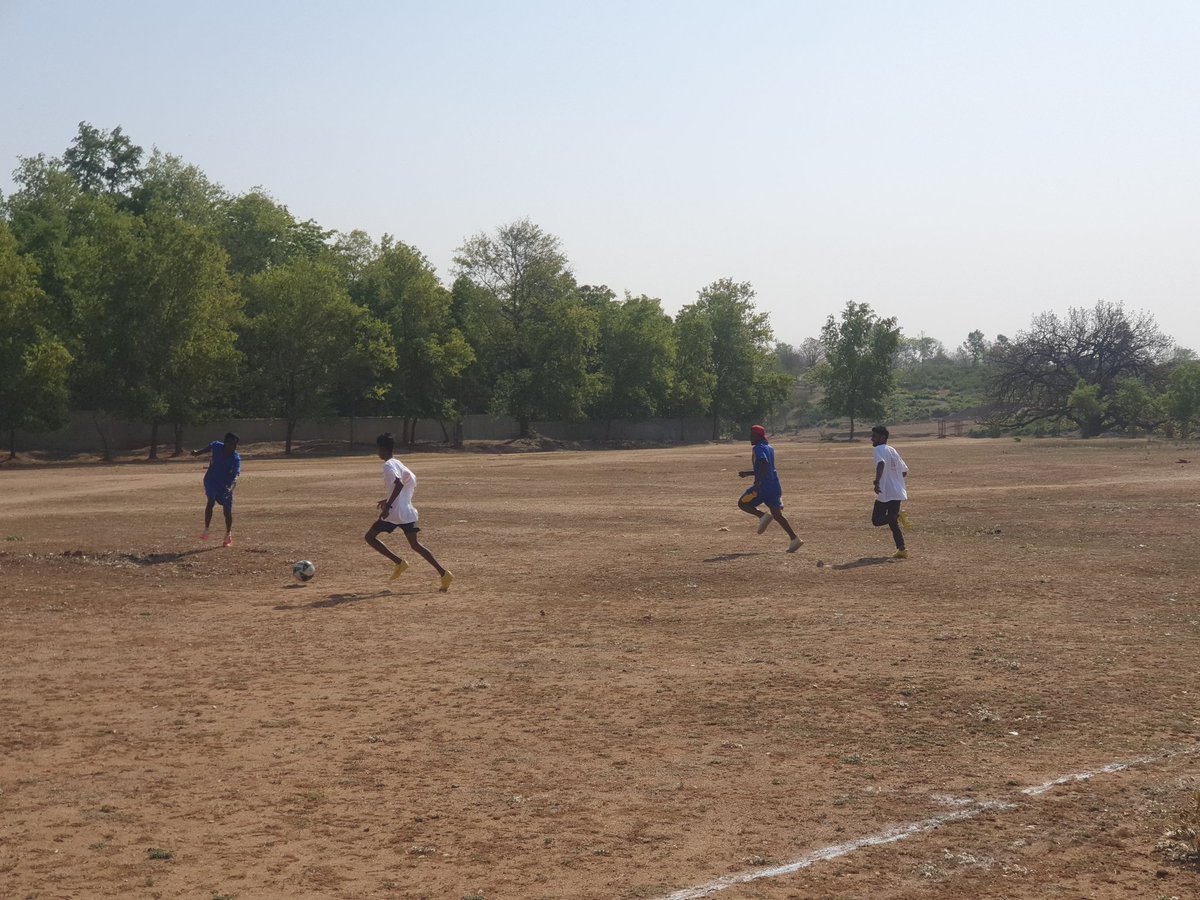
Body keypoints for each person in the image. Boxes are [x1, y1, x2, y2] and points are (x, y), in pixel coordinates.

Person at [365, 433, 453, 591]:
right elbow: (408, 482)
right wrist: (389, 500)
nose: (377, 452)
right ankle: (444, 574)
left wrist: (388, 506)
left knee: (370, 537)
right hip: (407, 512)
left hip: (395, 513)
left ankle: (399, 562)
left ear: (382, 449)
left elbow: (398, 484)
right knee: (416, 545)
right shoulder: (399, 463)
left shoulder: (388, 465)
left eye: (378, 448)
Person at [738, 425, 803, 553]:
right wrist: (748, 473)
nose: (750, 437)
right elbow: (766, 468)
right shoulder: (769, 447)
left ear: (757, 436)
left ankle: (762, 516)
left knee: (742, 503)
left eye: (752, 435)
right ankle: (795, 539)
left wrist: (757, 484)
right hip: (774, 486)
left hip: (763, 487)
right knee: (778, 515)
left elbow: (764, 463)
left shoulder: (758, 448)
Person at [192, 432, 240, 547]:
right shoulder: (217, 446)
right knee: (211, 500)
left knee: (227, 511)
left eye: (234, 446)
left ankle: (228, 534)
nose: (232, 448)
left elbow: (236, 475)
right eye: (230, 445)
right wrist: (198, 453)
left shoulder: (235, 458)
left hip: (225, 485)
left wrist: (231, 487)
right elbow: (209, 447)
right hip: (211, 480)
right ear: (225, 444)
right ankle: (206, 529)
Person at [870, 425, 909, 559]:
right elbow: (904, 471)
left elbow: (881, 464)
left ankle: (897, 516)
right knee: (892, 522)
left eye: (874, 436)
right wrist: (894, 478)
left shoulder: (879, 449)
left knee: (876, 520)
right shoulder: (893, 450)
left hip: (886, 491)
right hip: (897, 491)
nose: (871, 439)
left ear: (882, 438)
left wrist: (877, 482)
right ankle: (902, 549)